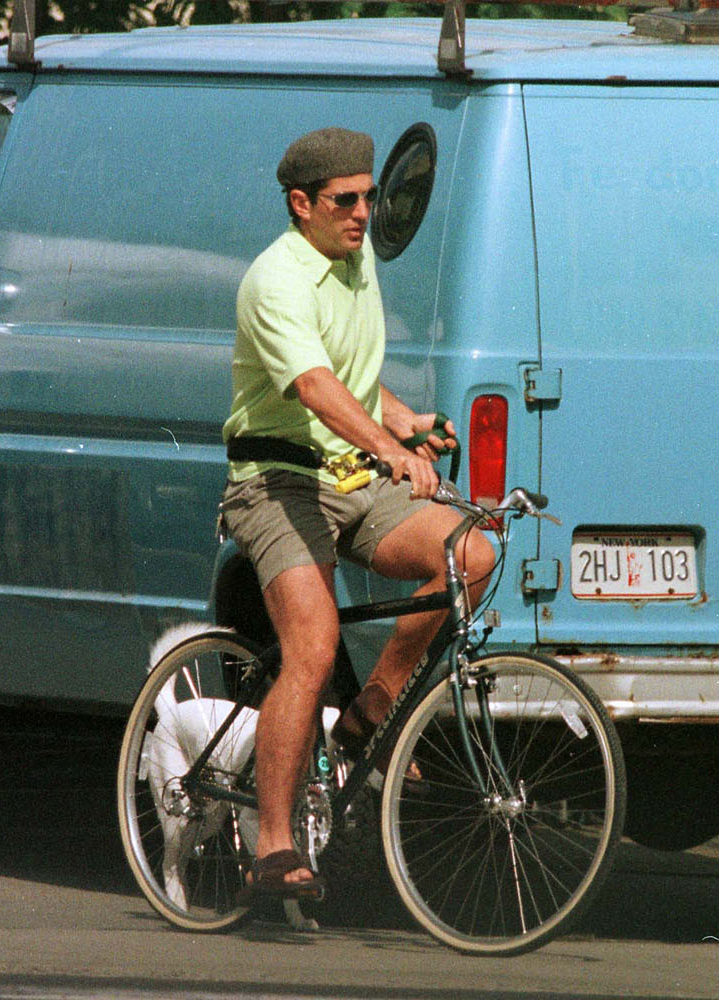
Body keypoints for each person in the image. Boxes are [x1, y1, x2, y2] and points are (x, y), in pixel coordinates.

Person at [219, 128, 495, 899]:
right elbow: (312, 387)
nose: (365, 213)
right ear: (301, 205)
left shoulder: (355, 259)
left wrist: (404, 424)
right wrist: (389, 447)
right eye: (347, 200)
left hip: (347, 473)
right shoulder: (276, 280)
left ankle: (371, 710)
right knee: (311, 643)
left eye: (371, 196)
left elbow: (353, 383)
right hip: (274, 480)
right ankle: (273, 846)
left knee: (470, 555)